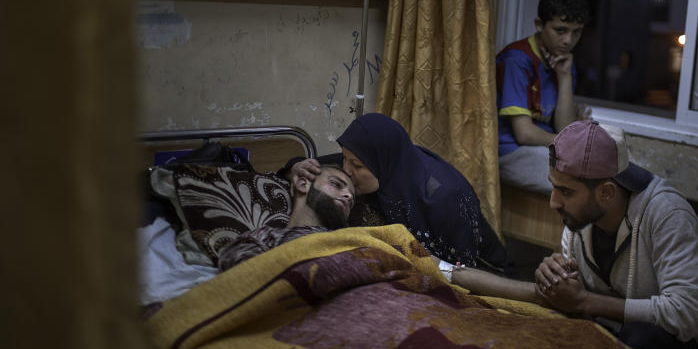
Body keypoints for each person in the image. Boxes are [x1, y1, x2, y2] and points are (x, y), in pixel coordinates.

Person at [533, 120, 698, 349]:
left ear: (607, 192)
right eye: (554, 187)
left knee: (640, 338)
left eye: (565, 191)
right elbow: (575, 302)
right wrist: (555, 281)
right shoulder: (579, 220)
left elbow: (684, 314)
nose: (553, 202)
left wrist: (585, 301)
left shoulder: (668, 215)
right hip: (617, 340)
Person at [290, 113, 510, 273]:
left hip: (479, 275)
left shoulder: (444, 197)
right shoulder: (373, 160)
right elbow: (305, 166)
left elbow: (463, 271)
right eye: (344, 158)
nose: (346, 169)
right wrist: (296, 167)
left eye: (355, 164)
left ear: (382, 162)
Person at [496, 0, 591, 193]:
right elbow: (524, 134)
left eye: (576, 33)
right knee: (584, 180)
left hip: (544, 147)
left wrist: (564, 76)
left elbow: (563, 127)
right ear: (539, 24)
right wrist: (574, 144)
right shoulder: (517, 60)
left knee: (608, 168)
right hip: (510, 151)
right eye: (560, 30)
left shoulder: (563, 61)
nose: (568, 41)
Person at [218, 163, 356, 271]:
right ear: (303, 184)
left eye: (352, 200)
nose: (349, 196)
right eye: (335, 184)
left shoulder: (355, 241)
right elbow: (243, 280)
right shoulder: (263, 238)